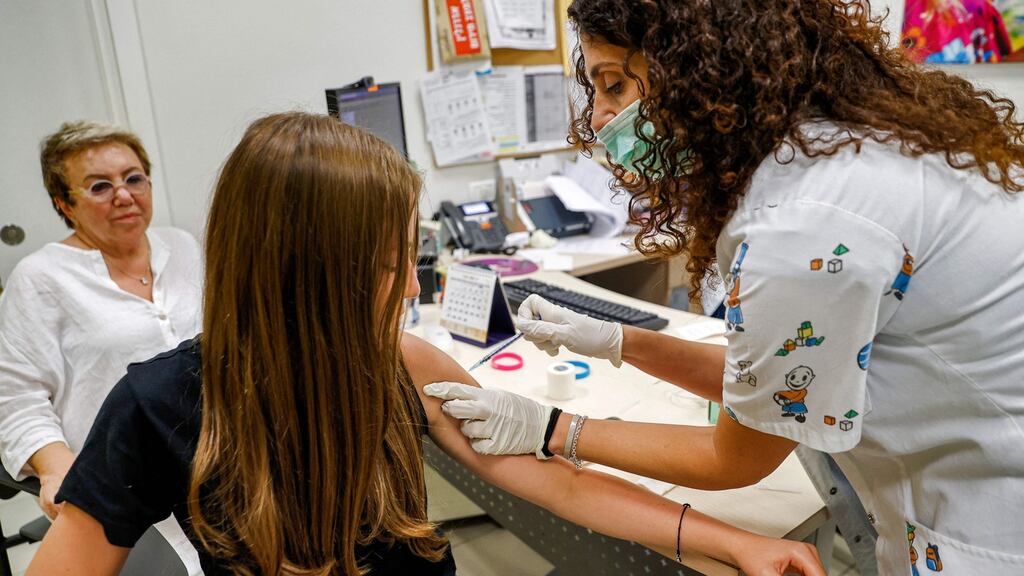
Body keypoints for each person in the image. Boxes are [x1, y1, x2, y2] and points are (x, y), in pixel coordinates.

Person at [25, 112, 824, 576]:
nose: (412, 290)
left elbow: (562, 487)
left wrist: (733, 542)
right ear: (307, 274)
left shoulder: (400, 363)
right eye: (389, 267)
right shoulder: (157, 405)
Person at [426, 1, 1024, 575]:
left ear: (695, 70)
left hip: (991, 524)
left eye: (614, 85)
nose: (600, 119)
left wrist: (551, 429)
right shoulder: (838, 152)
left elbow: (737, 455)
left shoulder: (804, 224)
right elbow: (773, 387)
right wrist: (617, 340)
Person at [0, 121, 202, 567]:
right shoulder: (40, 278)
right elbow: (17, 399)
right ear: (63, 204)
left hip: (209, 462)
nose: (124, 195)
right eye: (99, 186)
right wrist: (55, 468)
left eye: (134, 178)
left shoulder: (182, 247)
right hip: (125, 476)